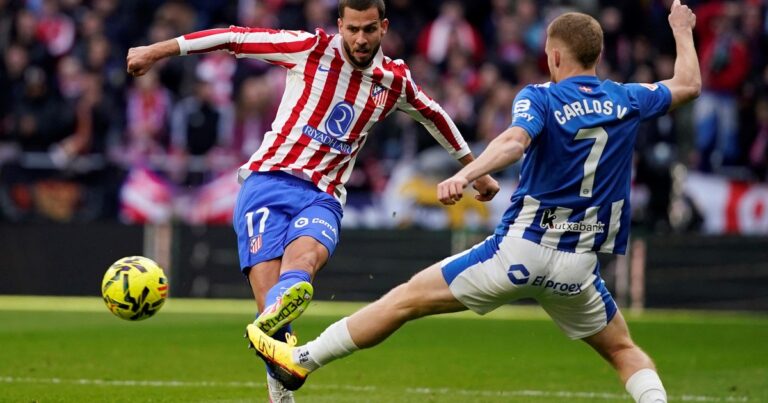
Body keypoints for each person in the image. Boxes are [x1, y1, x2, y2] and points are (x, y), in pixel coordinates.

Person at [246, 2, 701, 403]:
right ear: (598, 56)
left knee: (406, 300)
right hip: (579, 266)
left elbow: (513, 142)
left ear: (554, 55)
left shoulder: (541, 97)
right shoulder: (627, 99)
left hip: (519, 253)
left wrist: (467, 173)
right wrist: (682, 29)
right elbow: (688, 85)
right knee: (624, 351)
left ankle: (301, 359)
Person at [125, 0, 499, 401]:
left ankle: (288, 303)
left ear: (384, 27)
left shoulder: (394, 81)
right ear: (339, 24)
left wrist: (476, 171)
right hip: (267, 184)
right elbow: (234, 38)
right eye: (352, 29)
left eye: (369, 30)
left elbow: (436, 115)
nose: (359, 39)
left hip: (323, 196)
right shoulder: (310, 48)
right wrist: (156, 50)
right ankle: (281, 376)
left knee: (302, 263)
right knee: (269, 319)